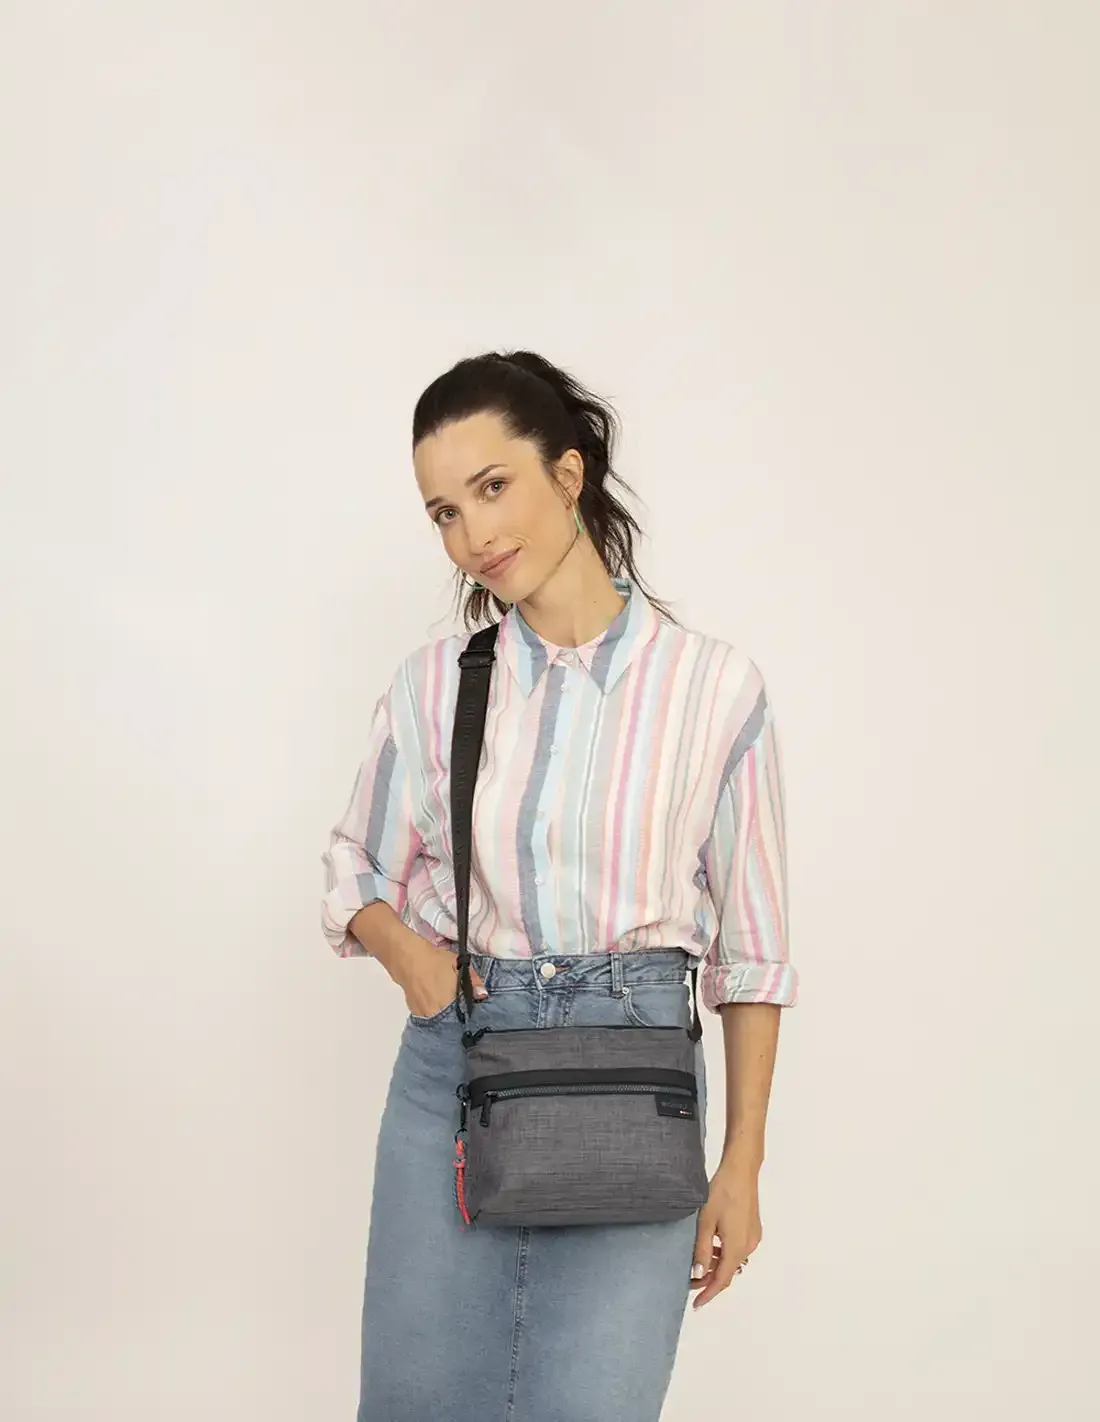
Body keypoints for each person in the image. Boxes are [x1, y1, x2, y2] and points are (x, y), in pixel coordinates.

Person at [320, 350, 798, 1421]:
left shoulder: (713, 689)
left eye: (493, 487)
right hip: (456, 1077)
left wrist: (742, 1164)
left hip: (636, 1083)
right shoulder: (437, 684)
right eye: (445, 512)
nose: (473, 535)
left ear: (568, 474)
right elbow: (352, 865)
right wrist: (414, 964)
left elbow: (752, 954)